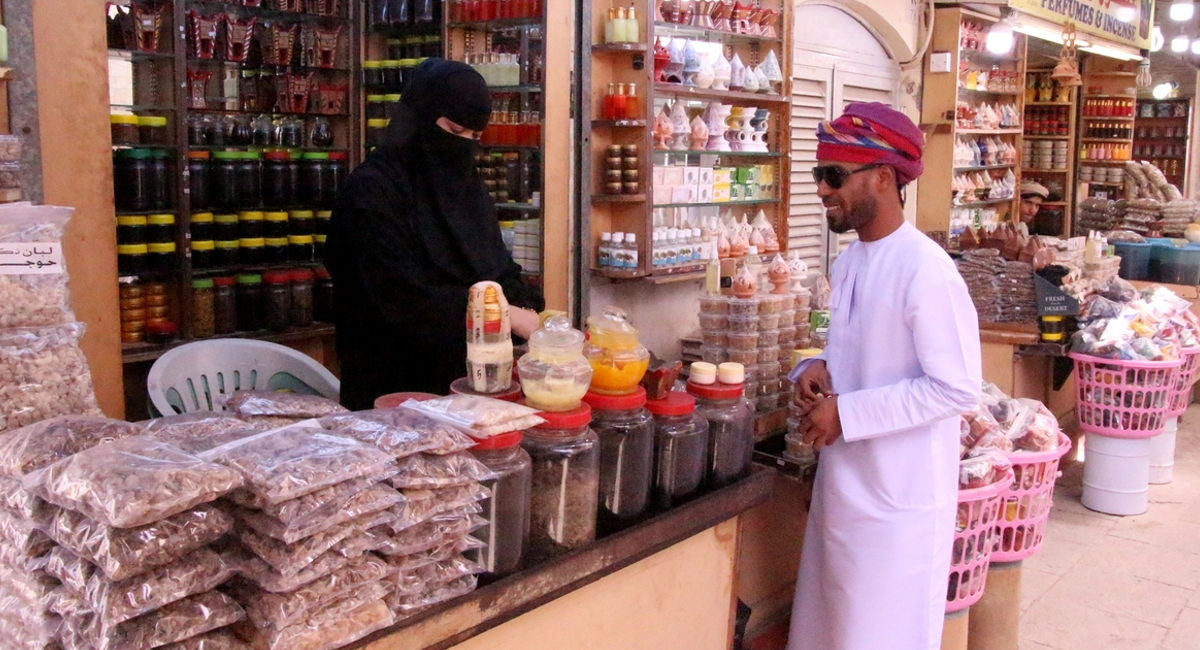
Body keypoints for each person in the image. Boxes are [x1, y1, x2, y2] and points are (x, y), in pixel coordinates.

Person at [787, 102, 982, 650]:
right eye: (818, 176)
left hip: (899, 502)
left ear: (884, 177)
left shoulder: (926, 270)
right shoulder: (850, 261)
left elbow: (956, 387)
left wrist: (846, 413)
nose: (822, 190)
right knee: (831, 629)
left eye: (833, 176)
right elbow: (860, 350)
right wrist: (817, 366)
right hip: (846, 491)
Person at [326, 59, 544, 409]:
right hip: (390, 395)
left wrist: (531, 307)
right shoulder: (372, 193)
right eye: (455, 131)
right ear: (419, 119)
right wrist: (505, 313)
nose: (464, 146)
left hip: (470, 390)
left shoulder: (468, 191)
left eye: (474, 137)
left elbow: (498, 269)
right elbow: (402, 299)